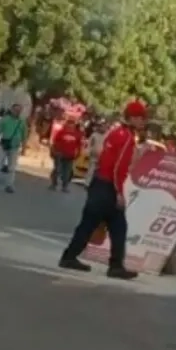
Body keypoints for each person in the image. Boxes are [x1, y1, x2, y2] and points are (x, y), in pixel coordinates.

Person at [58, 100, 148, 280]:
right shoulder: (127, 137)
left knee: (102, 225)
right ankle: (112, 266)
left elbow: (105, 159)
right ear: (133, 118)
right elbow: (118, 168)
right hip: (108, 187)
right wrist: (118, 193)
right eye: (141, 118)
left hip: (99, 184)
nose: (143, 122)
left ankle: (72, 257)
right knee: (111, 226)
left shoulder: (115, 133)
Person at [0, 104, 28, 193]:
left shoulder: (22, 122)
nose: (17, 112)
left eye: (19, 110)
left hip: (14, 147)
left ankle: (9, 185)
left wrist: (24, 148)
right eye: (15, 110)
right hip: (3, 145)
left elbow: (24, 136)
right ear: (11, 110)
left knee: (12, 167)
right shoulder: (5, 120)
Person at [49, 119, 85, 192]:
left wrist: (78, 153)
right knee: (57, 169)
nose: (70, 126)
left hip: (70, 155)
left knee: (67, 172)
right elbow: (55, 142)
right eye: (69, 124)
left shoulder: (77, 134)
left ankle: (64, 186)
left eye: (72, 124)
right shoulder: (61, 132)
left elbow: (79, 145)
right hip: (59, 154)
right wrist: (53, 151)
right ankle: (54, 184)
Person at [86, 119, 107, 184]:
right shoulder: (94, 135)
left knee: (99, 172)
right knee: (91, 170)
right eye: (101, 126)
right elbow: (90, 144)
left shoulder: (107, 135)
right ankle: (88, 183)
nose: (103, 128)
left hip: (103, 156)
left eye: (104, 127)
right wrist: (88, 152)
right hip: (94, 156)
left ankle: (95, 184)